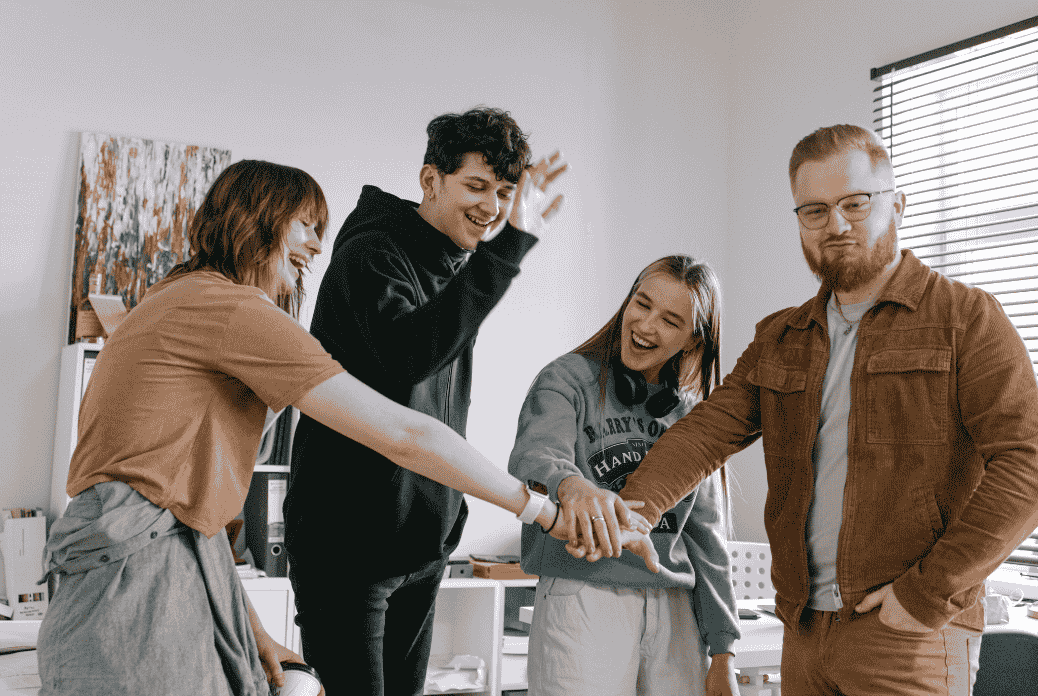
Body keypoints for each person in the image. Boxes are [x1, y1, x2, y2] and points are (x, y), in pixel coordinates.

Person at [36, 159, 652, 696]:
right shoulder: (229, 308)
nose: (313, 244)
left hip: (144, 563)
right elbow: (405, 435)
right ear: (257, 217)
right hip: (133, 577)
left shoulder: (175, 300)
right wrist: (540, 511)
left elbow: (186, 509)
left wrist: (251, 634)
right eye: (304, 223)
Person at [607, 125, 1038, 695]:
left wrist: (928, 593)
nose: (835, 225)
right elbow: (706, 433)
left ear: (896, 205)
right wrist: (633, 509)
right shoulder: (782, 337)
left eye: (854, 205)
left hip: (909, 634)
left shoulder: (966, 318)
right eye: (814, 211)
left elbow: (1027, 463)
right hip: (804, 630)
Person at [284, 106, 582, 696]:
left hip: (420, 545)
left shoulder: (452, 261)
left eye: (502, 192)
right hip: (349, 549)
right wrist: (511, 248)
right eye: (475, 185)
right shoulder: (371, 253)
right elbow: (408, 358)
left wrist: (446, 524)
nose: (492, 208)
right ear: (430, 181)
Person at [508, 255, 742, 696]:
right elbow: (536, 454)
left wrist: (723, 651)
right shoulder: (568, 378)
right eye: (642, 303)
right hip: (585, 595)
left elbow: (707, 540)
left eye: (670, 320)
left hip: (675, 608)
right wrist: (572, 486)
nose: (646, 325)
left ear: (693, 341)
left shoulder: (691, 416)